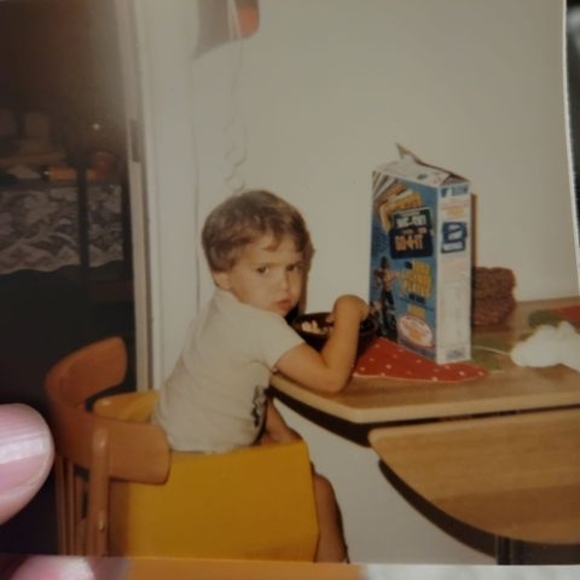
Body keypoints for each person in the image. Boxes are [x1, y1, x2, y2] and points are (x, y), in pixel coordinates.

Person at [153, 189, 369, 562]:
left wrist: (280, 432)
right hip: (200, 474)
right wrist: (348, 310)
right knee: (317, 491)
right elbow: (330, 379)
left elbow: (245, 385)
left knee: (288, 462)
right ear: (222, 275)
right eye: (263, 270)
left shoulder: (223, 308)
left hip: (173, 451)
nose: (284, 285)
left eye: (293, 267)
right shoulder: (260, 325)